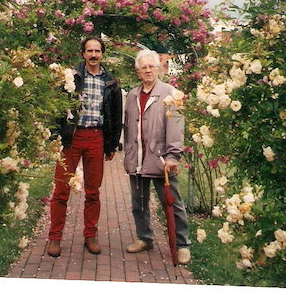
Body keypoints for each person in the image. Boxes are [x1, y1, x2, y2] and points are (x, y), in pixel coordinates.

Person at [47, 36, 123, 257]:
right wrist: (55, 138)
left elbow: (116, 115)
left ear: (102, 54)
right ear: (83, 54)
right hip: (72, 137)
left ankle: (90, 235)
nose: (93, 55)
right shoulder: (71, 77)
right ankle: (55, 237)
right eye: (89, 51)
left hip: (96, 138)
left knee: (93, 191)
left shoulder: (111, 82)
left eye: (97, 51)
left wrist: (111, 145)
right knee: (61, 189)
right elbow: (57, 108)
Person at [123, 49, 191, 264]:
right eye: (143, 67)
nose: (148, 70)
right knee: (139, 203)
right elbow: (128, 127)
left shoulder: (170, 93)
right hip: (137, 159)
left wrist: (173, 157)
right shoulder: (132, 95)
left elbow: (176, 127)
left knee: (172, 202)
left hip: (161, 159)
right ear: (138, 72)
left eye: (151, 66)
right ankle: (144, 238)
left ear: (159, 69)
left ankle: (182, 244)